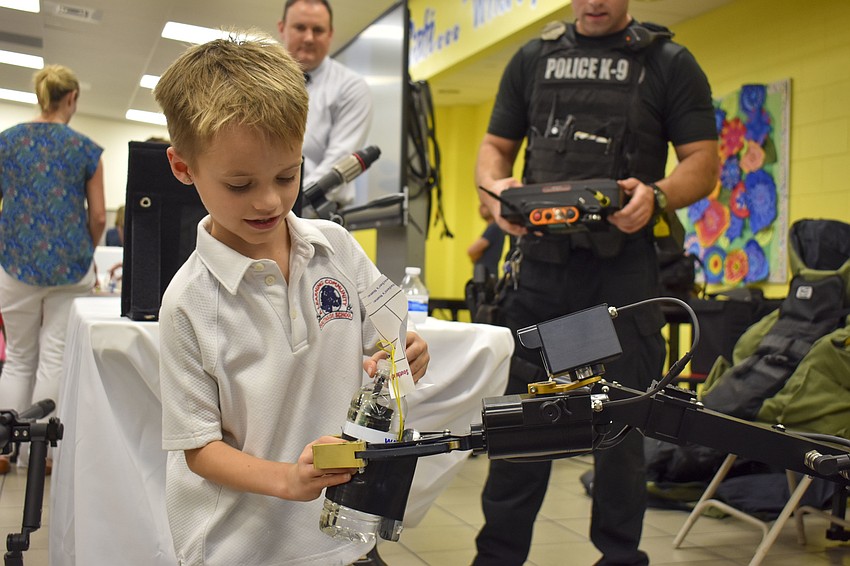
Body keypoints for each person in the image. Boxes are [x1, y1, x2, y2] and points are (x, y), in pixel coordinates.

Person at [152, 32, 429, 565]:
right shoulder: (189, 302)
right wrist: (287, 479)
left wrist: (406, 352)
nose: (269, 201)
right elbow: (199, 448)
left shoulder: (337, 248)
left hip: (343, 538)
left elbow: (386, 336)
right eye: (240, 185)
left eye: (287, 175)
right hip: (241, 548)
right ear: (183, 168)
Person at [472, 1, 719, 564]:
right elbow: (495, 149)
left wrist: (657, 196)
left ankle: (620, 557)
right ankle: (497, 558)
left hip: (621, 279)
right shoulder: (533, 58)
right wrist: (497, 192)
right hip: (542, 275)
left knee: (622, 430)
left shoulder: (669, 62)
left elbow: (703, 163)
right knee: (523, 428)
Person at [0, 64, 106, 475]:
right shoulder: (85, 149)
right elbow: (99, 216)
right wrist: (86, 250)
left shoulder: (7, 142)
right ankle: (40, 455)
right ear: (72, 98)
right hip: (70, 267)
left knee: (18, 356)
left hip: (15, 262)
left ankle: (4, 450)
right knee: (54, 357)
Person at [278, 0, 373, 209]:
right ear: (282, 28)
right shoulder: (261, 82)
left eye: (318, 30)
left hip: (317, 213)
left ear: (330, 34)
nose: (309, 38)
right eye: (300, 27)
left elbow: (337, 163)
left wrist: (288, 204)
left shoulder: (350, 87)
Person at [467, 203, 507, 278]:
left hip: (487, 275)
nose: (480, 208)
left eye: (484, 205)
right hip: (485, 274)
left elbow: (472, 251)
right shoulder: (493, 227)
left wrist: (476, 257)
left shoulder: (494, 228)